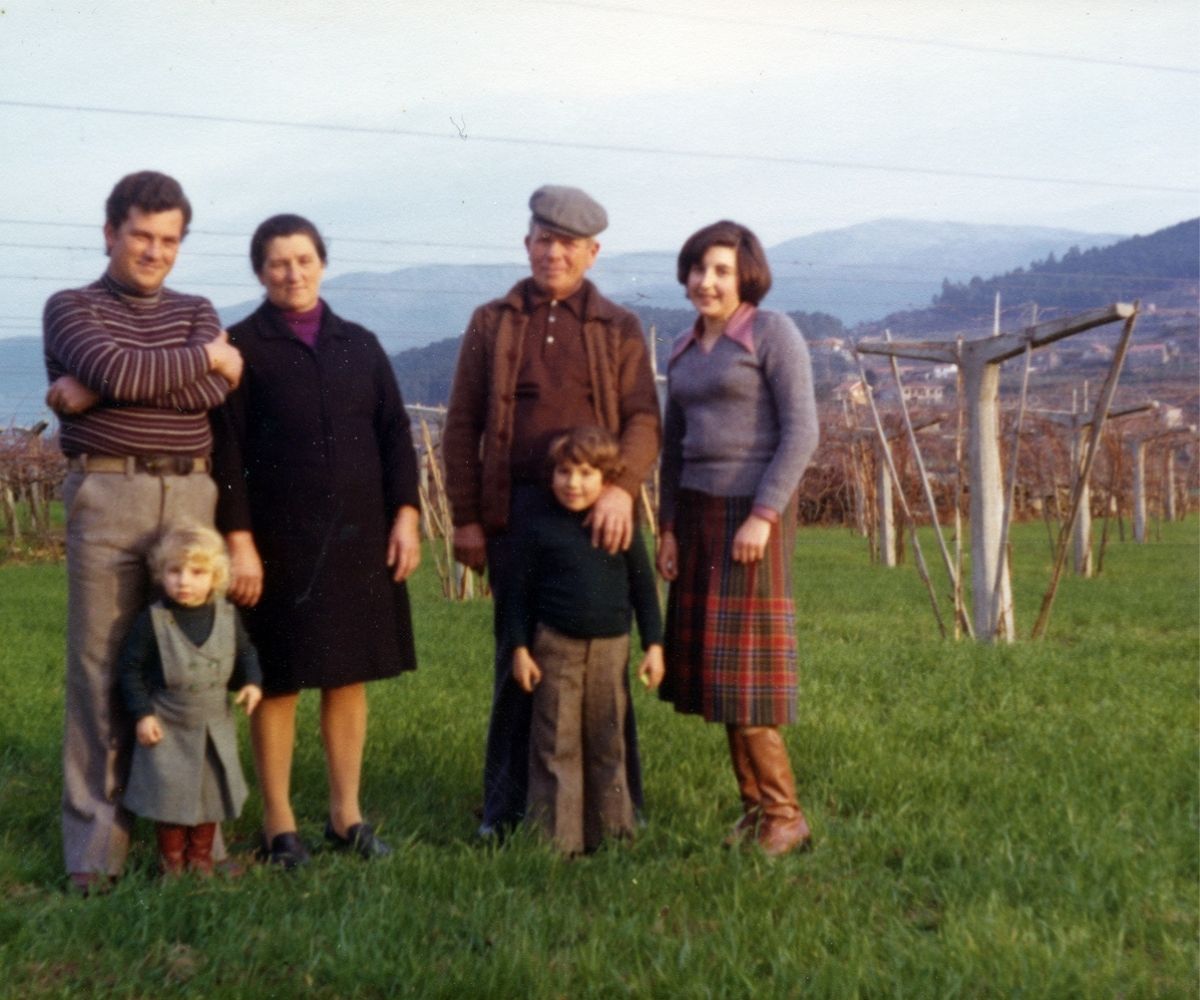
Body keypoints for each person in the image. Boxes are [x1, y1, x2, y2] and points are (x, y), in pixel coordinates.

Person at [43, 170, 245, 894]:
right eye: (141, 236)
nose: (155, 251)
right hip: (110, 492)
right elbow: (126, 368)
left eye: (169, 239)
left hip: (191, 493)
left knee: (196, 665)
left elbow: (216, 389)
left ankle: (198, 837)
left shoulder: (196, 308)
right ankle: (96, 850)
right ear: (110, 233)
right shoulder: (69, 306)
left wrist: (100, 390)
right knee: (101, 666)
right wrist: (198, 360)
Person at [442, 185, 661, 837]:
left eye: (568, 244)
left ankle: (613, 809)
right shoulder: (491, 322)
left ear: (592, 253)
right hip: (515, 516)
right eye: (544, 240)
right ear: (527, 243)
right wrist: (466, 518)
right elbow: (462, 425)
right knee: (520, 657)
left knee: (601, 668)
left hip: (599, 515)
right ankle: (506, 811)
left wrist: (621, 489)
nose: (554, 253)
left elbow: (644, 419)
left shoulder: (618, 327)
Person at [211, 213, 421, 868]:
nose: (293, 273)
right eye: (278, 263)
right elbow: (226, 453)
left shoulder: (360, 344)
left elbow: (395, 435)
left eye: (304, 260)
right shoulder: (241, 347)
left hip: (357, 539)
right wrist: (238, 540)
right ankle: (279, 826)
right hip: (277, 546)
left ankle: (345, 816)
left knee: (347, 675)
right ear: (260, 271)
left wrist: (407, 515)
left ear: (322, 263)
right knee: (277, 681)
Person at [656, 220, 819, 857]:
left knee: (747, 678)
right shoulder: (682, 348)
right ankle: (755, 814)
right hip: (696, 517)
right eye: (699, 269)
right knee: (721, 677)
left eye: (721, 270)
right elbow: (673, 450)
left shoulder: (773, 333)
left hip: (751, 518)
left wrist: (764, 514)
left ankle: (786, 816)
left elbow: (802, 432)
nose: (708, 282)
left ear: (744, 275)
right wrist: (668, 527)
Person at [506, 427, 664, 855]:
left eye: (586, 473)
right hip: (555, 647)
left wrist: (654, 645)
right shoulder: (538, 528)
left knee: (607, 739)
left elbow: (644, 589)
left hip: (611, 649)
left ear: (607, 478)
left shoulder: (620, 524)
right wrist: (520, 649)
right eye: (564, 472)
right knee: (555, 742)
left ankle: (612, 835)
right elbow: (517, 595)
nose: (573, 483)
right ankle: (557, 841)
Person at [117, 523, 262, 876]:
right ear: (161, 574)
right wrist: (143, 714)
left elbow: (245, 652)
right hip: (168, 723)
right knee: (170, 795)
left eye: (197, 573)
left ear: (215, 576)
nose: (184, 581)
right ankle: (172, 863)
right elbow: (130, 668)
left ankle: (200, 858)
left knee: (210, 794)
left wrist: (252, 683)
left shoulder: (226, 615)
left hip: (214, 724)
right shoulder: (153, 621)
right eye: (174, 572)